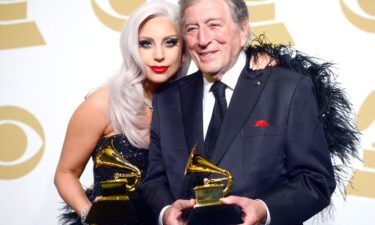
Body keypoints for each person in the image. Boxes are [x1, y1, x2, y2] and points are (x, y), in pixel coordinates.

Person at [54, 1, 273, 224]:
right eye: (146, 44)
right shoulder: (103, 103)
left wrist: (258, 58)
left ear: (185, 47)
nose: (159, 55)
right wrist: (90, 216)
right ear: (132, 48)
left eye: (170, 42)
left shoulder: (190, 99)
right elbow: (65, 173)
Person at [141, 0, 359, 225]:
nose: (203, 40)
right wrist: (166, 212)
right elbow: (154, 180)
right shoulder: (167, 98)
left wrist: (265, 210)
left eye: (214, 25)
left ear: (243, 30)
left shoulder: (289, 89)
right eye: (192, 29)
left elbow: (316, 180)